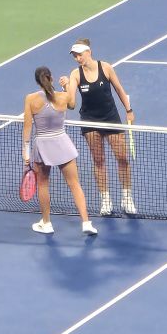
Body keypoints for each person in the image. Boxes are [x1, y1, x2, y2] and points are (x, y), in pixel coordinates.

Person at [59, 39, 135, 217]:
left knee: (123, 158)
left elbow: (119, 89)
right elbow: (71, 105)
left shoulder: (106, 68)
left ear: (89, 52)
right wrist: (66, 87)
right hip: (90, 120)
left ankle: (127, 198)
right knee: (99, 161)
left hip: (111, 118)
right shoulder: (75, 74)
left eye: (80, 54)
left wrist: (129, 110)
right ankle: (105, 201)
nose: (78, 58)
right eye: (75, 56)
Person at [23, 66, 97, 236]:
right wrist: (66, 86)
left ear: (37, 81)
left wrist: (25, 152)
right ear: (51, 78)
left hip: (42, 147)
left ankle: (46, 223)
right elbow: (72, 104)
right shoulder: (63, 97)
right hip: (62, 144)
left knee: (43, 184)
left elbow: (27, 127)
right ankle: (86, 222)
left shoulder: (30, 99)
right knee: (75, 184)